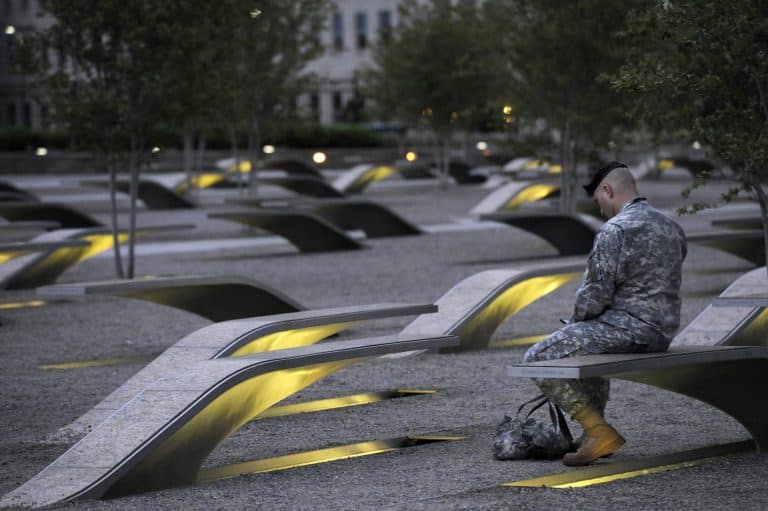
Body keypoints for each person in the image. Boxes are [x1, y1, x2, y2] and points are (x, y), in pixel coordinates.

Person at [522, 161, 687, 466]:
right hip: (661, 333)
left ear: (608, 190)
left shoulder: (615, 230)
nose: (600, 210)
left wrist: (574, 322)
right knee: (589, 343)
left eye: (599, 201)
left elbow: (594, 295)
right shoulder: (670, 226)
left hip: (628, 330)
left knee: (536, 358)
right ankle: (594, 437)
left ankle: (597, 430)